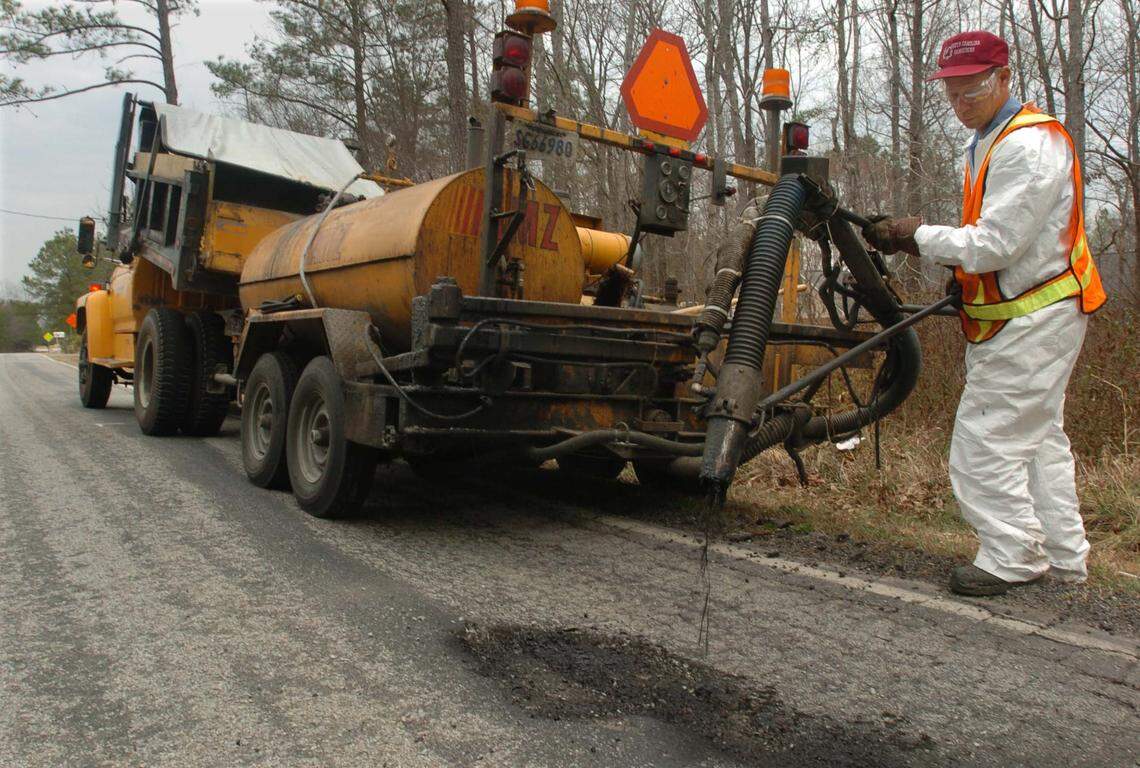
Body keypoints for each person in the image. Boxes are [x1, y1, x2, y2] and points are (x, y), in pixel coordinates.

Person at [863, 30, 1107, 596]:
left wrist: (914, 235)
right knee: (1038, 438)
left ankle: (1013, 554)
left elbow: (997, 243)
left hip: (1033, 316)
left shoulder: (1027, 145)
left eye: (970, 89)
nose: (958, 103)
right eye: (951, 91)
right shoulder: (990, 141)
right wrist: (950, 263)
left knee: (985, 441)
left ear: (1003, 78)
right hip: (1022, 313)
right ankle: (1065, 557)